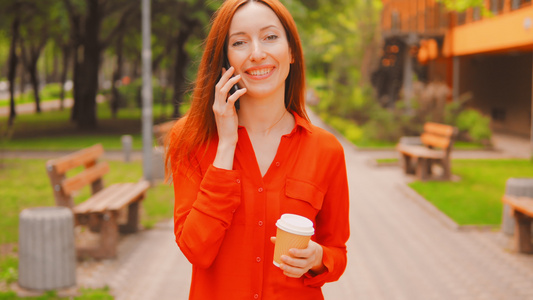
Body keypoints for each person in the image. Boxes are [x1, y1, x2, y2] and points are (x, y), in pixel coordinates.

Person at [165, 0, 350, 299]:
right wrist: (225, 146)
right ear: (225, 59)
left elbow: (337, 252)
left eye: (270, 37)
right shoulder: (191, 139)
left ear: (291, 52)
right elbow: (196, 250)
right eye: (239, 42)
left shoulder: (326, 149)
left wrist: (317, 259)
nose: (257, 53)